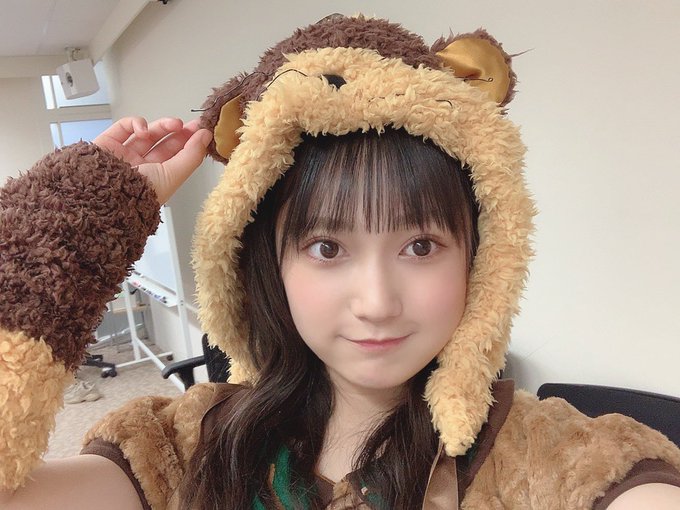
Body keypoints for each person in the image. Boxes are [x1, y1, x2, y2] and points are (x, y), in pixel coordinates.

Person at [1, 14, 679, 510]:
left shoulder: (539, 452)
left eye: (420, 246)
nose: (378, 302)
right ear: (269, 264)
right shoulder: (185, 445)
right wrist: (82, 214)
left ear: (482, 256)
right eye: (327, 249)